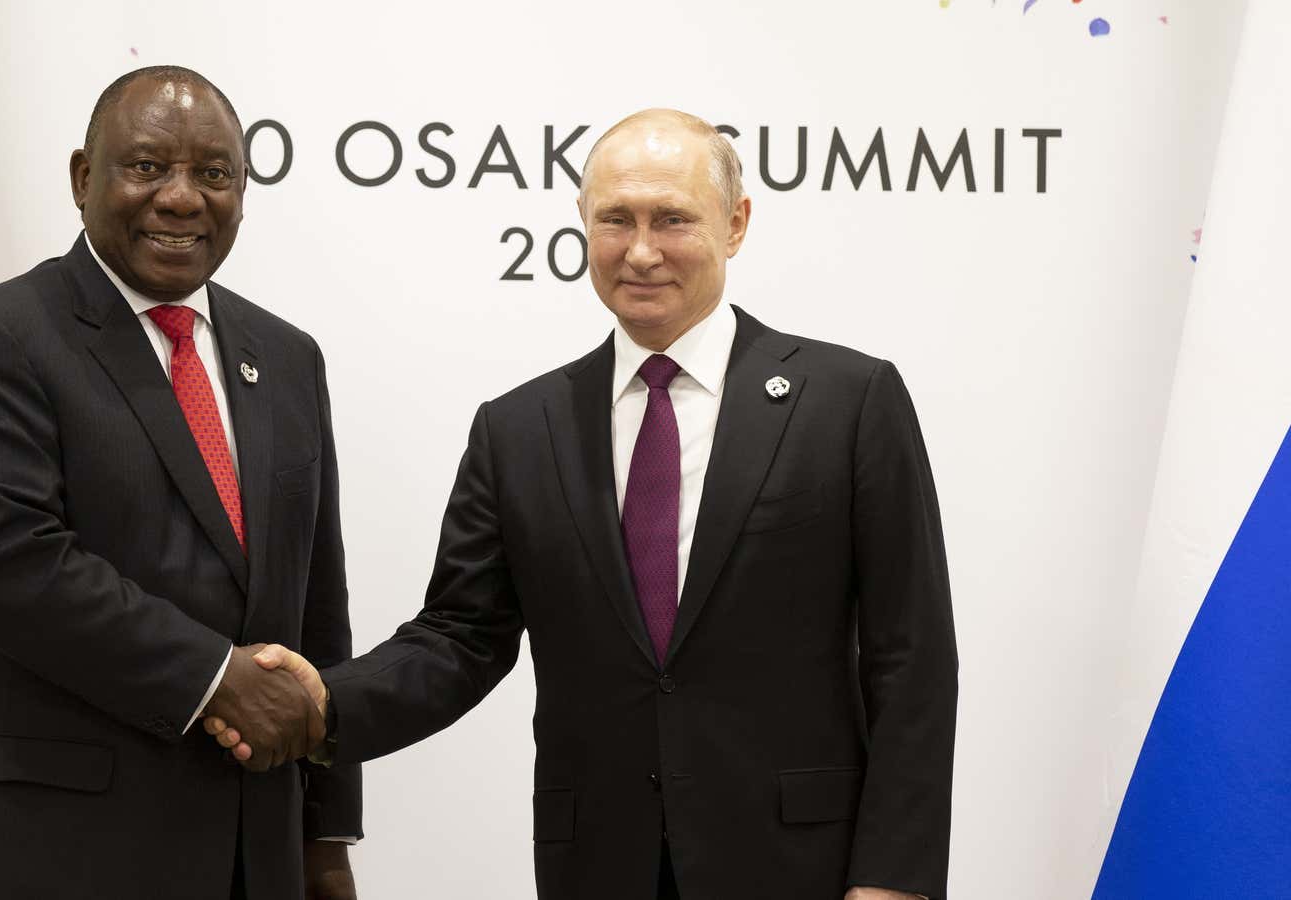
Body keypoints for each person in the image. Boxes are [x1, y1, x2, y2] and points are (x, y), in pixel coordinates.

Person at [213, 109, 959, 899]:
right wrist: (323, 704)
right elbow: (461, 638)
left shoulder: (848, 402)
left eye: (672, 219)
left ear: (736, 224)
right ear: (583, 225)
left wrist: (894, 880)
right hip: (600, 863)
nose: (641, 251)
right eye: (616, 220)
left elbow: (911, 659)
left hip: (803, 866)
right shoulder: (518, 429)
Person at [0, 67, 359, 900]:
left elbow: (313, 609)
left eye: (214, 174)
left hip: (251, 857)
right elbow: (9, 568)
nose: (183, 199)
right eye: (148, 166)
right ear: (85, 178)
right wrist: (216, 678)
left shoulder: (289, 358)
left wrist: (325, 836)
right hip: (49, 856)